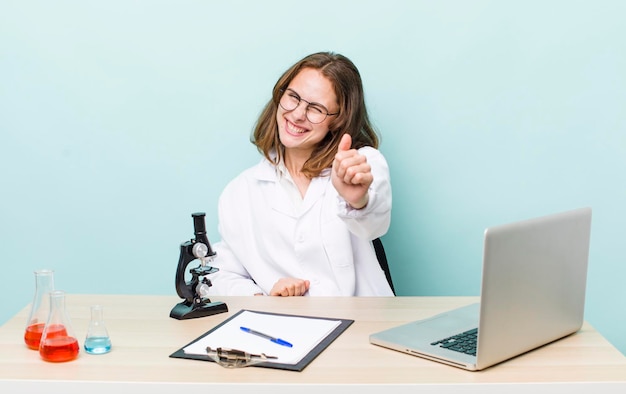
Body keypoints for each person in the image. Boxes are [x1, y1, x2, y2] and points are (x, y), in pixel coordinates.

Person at [206, 51, 393, 297]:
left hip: (362, 325)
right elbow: (221, 274)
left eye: (316, 108)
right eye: (293, 97)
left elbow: (374, 225)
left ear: (338, 120)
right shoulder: (240, 191)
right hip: (286, 328)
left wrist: (358, 201)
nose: (296, 114)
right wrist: (263, 295)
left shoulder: (361, 163)